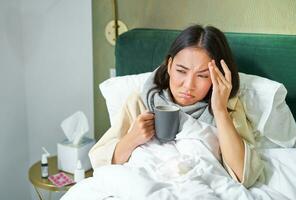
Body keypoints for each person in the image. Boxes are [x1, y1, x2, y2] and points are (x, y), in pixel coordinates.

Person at [89, 25, 264, 188]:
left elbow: (244, 176)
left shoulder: (227, 109)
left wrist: (220, 110)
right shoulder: (140, 101)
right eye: (181, 71)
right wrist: (132, 138)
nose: (188, 85)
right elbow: (100, 162)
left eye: (202, 76)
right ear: (170, 65)